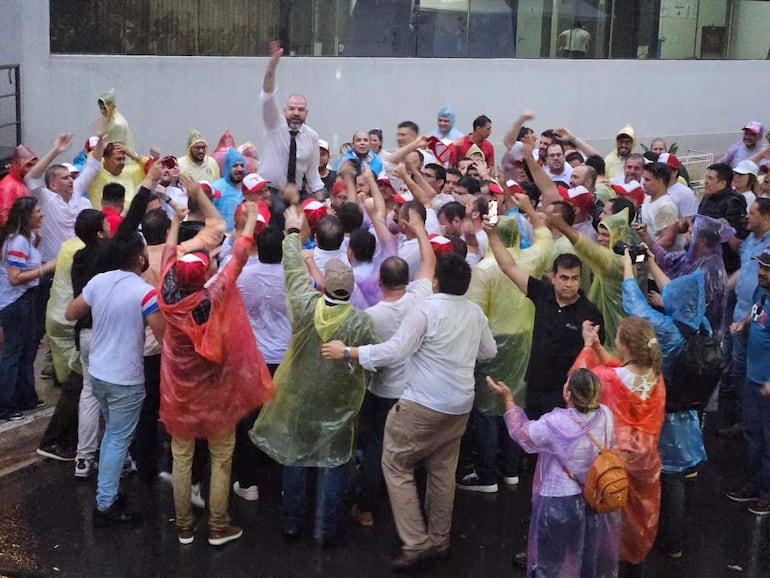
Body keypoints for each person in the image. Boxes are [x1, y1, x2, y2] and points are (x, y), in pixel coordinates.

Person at [322, 252, 497, 571]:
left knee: (396, 463)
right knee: (443, 472)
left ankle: (415, 542)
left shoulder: (425, 310)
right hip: (459, 406)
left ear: (437, 282)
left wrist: (348, 351)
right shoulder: (474, 313)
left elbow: (395, 351)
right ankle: (439, 539)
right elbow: (489, 351)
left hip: (422, 404)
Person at [250, 206, 378, 547]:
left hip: (299, 397)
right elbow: (374, 360)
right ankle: (327, 529)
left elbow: (292, 268)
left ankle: (291, 523)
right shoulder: (361, 322)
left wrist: (293, 233)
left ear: (322, 286)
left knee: (296, 457)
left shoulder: (307, 307)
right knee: (334, 463)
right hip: (339, 404)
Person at [158, 181, 274, 546]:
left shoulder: (166, 291)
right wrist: (253, 219)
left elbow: (169, 252)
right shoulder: (215, 293)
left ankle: (184, 527)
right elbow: (239, 253)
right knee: (221, 456)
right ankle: (218, 525)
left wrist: (176, 221)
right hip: (216, 391)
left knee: (182, 458)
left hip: (179, 393)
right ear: (204, 273)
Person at [64, 229, 165, 526]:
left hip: (98, 373)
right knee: (116, 440)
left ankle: (110, 494)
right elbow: (163, 335)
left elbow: (71, 312)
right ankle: (105, 504)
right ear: (139, 258)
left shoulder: (98, 282)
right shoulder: (144, 293)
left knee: (113, 436)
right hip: (125, 378)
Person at [621, 251, 711, 558]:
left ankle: (667, 541)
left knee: (669, 480)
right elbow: (677, 293)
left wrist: (627, 269)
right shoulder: (701, 323)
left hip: (667, 417)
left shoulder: (668, 332)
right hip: (690, 415)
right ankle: (675, 540)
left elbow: (635, 307)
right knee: (680, 477)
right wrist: (652, 264)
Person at [487, 369, 619, 577]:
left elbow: (521, 433)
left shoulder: (555, 423)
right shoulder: (606, 416)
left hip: (559, 499)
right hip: (595, 497)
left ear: (568, 394)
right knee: (586, 556)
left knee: (550, 561)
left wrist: (508, 399)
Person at [572, 316, 665, 574]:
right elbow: (620, 367)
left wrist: (587, 347)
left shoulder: (607, 379)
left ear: (624, 345)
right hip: (647, 466)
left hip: (614, 467)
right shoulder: (657, 377)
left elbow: (576, 384)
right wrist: (598, 348)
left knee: (610, 526)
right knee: (637, 526)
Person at [0, 197, 57, 421]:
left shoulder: (27, 238)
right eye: (37, 211)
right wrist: (46, 268)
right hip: (15, 302)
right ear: (27, 216)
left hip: (24, 300)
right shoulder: (18, 242)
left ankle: (25, 396)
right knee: (13, 354)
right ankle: (5, 404)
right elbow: (15, 278)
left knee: (26, 351)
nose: (41, 215)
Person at [726, 248, 770, 515]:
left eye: (767, 269)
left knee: (767, 441)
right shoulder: (761, 294)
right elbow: (756, 315)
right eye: (761, 267)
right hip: (752, 379)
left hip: (766, 386)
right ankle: (755, 484)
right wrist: (744, 324)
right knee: (753, 436)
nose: (761, 272)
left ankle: (766, 493)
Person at [258, 40, 324, 197]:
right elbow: (267, 95)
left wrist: (322, 202)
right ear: (284, 110)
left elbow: (313, 177)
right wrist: (271, 68)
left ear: (306, 113)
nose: (295, 113)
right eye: (292, 108)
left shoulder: (312, 137)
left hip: (298, 194)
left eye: (300, 110)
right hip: (270, 193)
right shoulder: (274, 124)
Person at [0, 144, 38, 227]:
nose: (32, 169)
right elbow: (4, 217)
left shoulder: (24, 182)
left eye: (34, 165)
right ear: (18, 165)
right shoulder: (8, 185)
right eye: (28, 165)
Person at [97, 88, 136, 155]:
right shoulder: (110, 119)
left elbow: (116, 150)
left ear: (111, 107)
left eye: (104, 108)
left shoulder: (117, 124)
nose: (102, 111)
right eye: (100, 108)